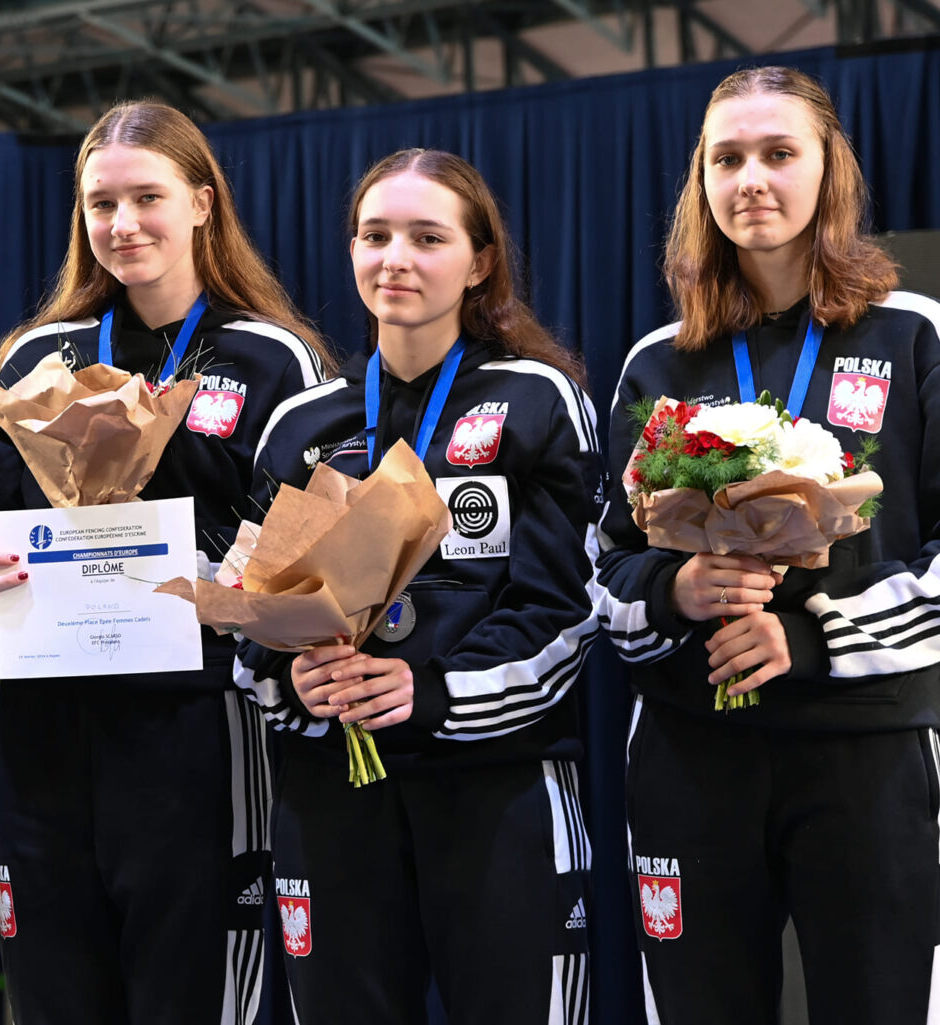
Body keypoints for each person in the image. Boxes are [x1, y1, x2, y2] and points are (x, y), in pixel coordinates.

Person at [597, 67, 940, 1025]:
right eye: (728, 158)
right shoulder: (656, 361)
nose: (752, 178)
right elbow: (607, 566)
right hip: (690, 751)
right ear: (700, 184)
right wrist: (680, 591)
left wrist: (823, 635)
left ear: (829, 171)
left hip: (866, 753)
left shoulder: (919, 333)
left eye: (779, 153)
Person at [0, 101, 335, 1025]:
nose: (121, 225)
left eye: (147, 198)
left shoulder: (270, 356)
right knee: (55, 999)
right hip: (49, 721)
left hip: (197, 726)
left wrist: (241, 586)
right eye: (101, 204)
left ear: (203, 202)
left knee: (195, 999)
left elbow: (301, 558)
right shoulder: (36, 357)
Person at [235, 149, 600, 1025]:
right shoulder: (303, 423)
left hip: (496, 785)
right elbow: (250, 608)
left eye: (426, 237)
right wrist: (295, 681)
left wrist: (427, 690)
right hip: (333, 793)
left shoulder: (536, 398)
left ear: (479, 262)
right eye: (375, 235)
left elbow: (570, 608)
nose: (394, 257)